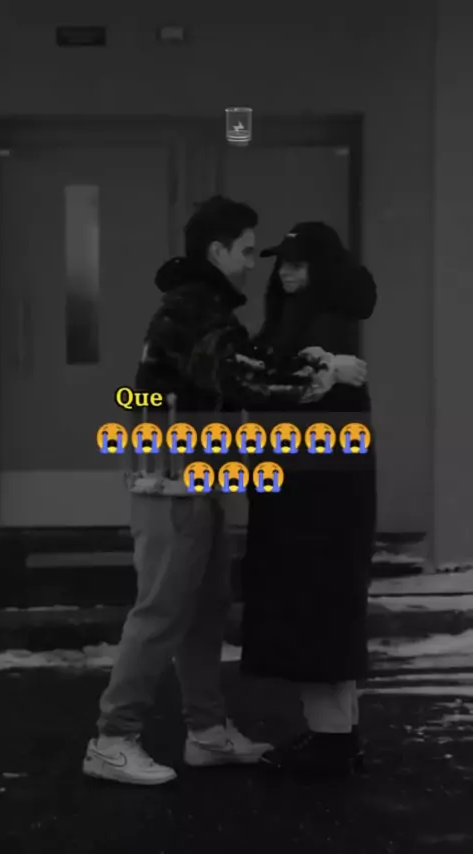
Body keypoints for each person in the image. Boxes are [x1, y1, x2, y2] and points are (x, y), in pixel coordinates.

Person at [82, 198, 352, 786]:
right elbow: (241, 375)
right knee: (161, 610)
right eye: (247, 251)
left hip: (197, 478)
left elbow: (223, 377)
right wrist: (327, 373)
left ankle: (205, 732)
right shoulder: (192, 309)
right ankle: (112, 738)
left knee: (205, 608)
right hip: (170, 481)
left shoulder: (207, 309)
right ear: (217, 251)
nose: (255, 263)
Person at [240, 222, 377, 777]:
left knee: (315, 606)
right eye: (282, 263)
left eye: (298, 262)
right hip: (322, 488)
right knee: (328, 608)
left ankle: (332, 741)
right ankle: (337, 736)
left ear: (322, 268)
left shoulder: (320, 325)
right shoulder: (321, 318)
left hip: (314, 495)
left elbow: (286, 394)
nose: (285, 272)